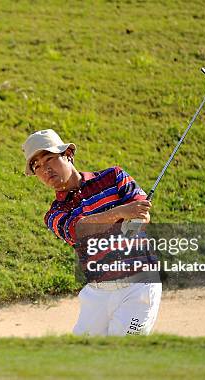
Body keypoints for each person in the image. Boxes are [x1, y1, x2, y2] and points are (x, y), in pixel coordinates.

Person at [22, 129, 161, 336]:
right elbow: (78, 230)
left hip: (137, 287)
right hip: (97, 293)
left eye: (49, 159)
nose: (45, 169)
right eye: (37, 166)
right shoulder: (54, 214)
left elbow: (141, 214)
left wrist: (133, 224)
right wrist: (120, 212)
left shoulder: (114, 177)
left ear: (68, 154)